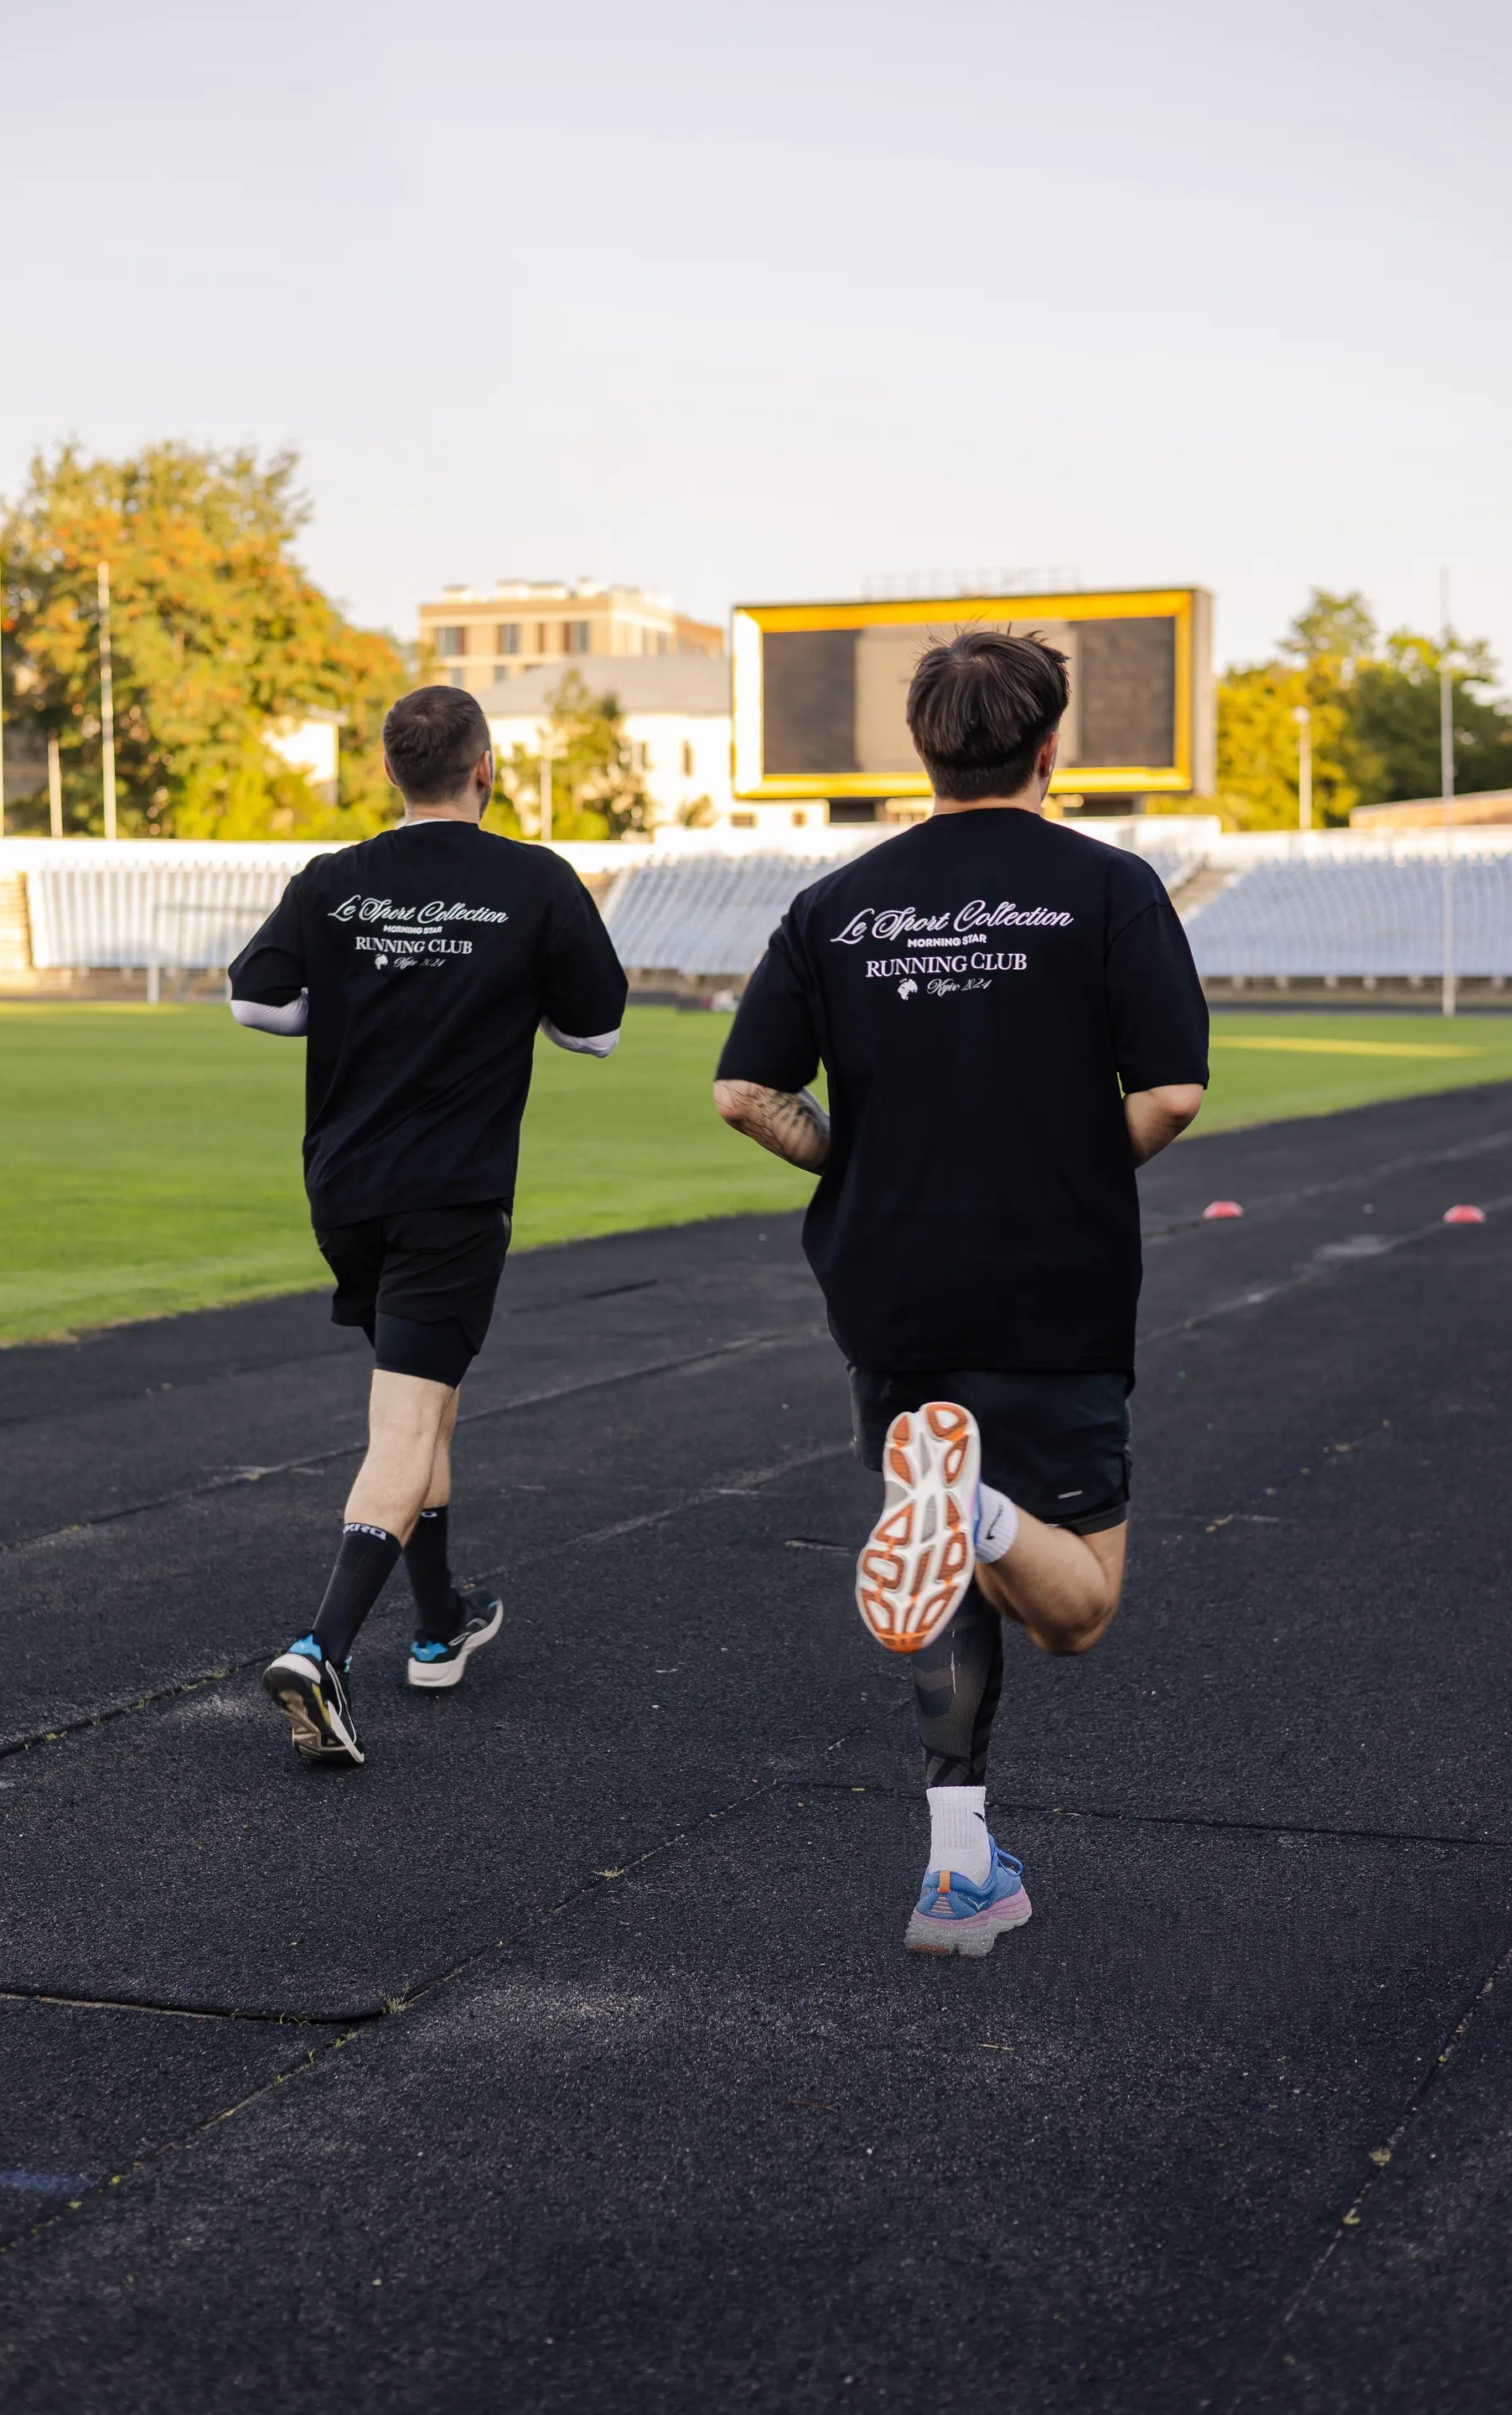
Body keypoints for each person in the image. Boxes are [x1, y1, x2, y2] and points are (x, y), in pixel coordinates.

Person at [712, 630, 1208, 1955]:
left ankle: (958, 1872)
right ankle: (979, 1505)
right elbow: (1166, 1093)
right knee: (1077, 1609)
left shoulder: (836, 904)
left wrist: (858, 1159)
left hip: (891, 1282)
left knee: (935, 1576)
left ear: (923, 752)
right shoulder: (1108, 888)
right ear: (1053, 749)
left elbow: (745, 1092)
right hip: (1050, 1281)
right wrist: (1055, 1174)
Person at [228, 685, 627, 1766]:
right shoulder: (534, 880)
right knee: (403, 1428)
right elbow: (595, 1030)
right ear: (485, 768)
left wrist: (368, 989)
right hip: (449, 1195)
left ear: (391, 774)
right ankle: (322, 1650)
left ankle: (442, 1625)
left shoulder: (333, 880)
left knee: (425, 1405)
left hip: (344, 1190)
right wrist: (499, 990)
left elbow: (256, 1000)